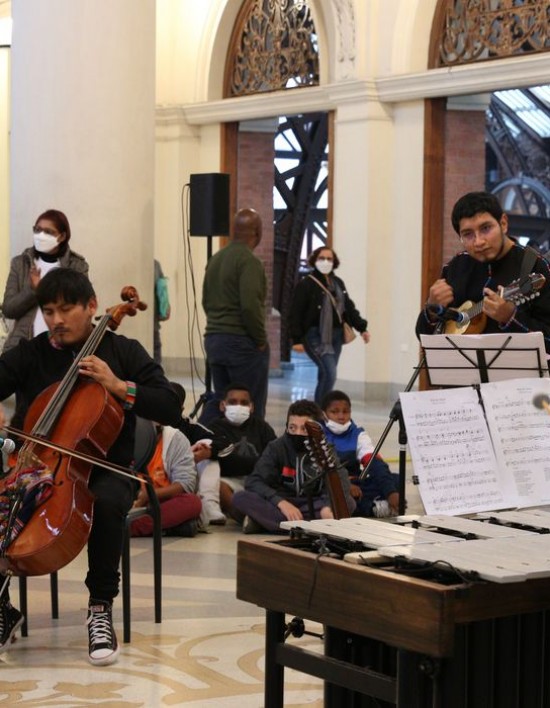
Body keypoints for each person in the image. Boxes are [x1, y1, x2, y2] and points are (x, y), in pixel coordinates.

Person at [0, 268, 182, 666]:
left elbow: (169, 403)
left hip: (108, 466)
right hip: (38, 465)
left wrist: (119, 387)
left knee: (106, 502)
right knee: (3, 500)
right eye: (48, 311)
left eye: (66, 309)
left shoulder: (123, 351)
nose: (56, 321)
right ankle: (2, 607)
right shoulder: (33, 353)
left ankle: (100, 608)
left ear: (92, 306)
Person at [416, 191, 550, 352]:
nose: (478, 241)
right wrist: (431, 309)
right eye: (468, 234)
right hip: (462, 374)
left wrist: (511, 318)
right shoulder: (456, 267)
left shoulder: (535, 267)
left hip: (520, 375)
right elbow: (424, 338)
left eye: (485, 228)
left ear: (503, 224)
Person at [232, 399, 355, 533]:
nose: (297, 433)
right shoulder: (276, 447)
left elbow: (341, 479)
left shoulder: (324, 448)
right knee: (240, 498)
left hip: (314, 504)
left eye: (304, 429)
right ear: (286, 426)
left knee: (349, 502)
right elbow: (254, 481)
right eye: (292, 427)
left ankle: (265, 523)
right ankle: (311, 527)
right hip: (280, 504)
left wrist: (327, 506)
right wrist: (281, 503)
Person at [201, 207, 269, 422]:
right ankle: (251, 449)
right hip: (240, 343)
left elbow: (206, 301)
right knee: (250, 404)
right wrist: (260, 340)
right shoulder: (249, 261)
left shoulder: (216, 259)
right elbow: (250, 306)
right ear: (257, 232)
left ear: (233, 231)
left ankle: (213, 443)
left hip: (214, 339)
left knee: (223, 401)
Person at [290, 246, 370, 405]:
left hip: (337, 335)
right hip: (315, 336)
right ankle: (321, 411)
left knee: (325, 373)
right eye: (321, 258)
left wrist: (362, 328)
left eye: (329, 259)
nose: (325, 262)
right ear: (314, 260)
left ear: (334, 262)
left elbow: (348, 307)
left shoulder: (338, 283)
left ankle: (321, 410)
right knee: (330, 373)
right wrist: (296, 340)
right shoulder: (306, 284)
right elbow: (295, 313)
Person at [1, 209, 89, 352]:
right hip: (23, 347)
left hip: (62, 348)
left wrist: (42, 290)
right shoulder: (21, 263)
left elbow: (81, 307)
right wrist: (32, 291)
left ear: (61, 236)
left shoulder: (77, 265)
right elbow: (9, 310)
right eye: (37, 230)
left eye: (48, 232)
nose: (41, 236)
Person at [193, 383, 276, 525]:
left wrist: (235, 461)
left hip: (255, 480)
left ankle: (259, 516)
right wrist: (251, 463)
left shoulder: (262, 427)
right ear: (222, 406)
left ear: (251, 407)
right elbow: (220, 460)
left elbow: (273, 457)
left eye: (244, 403)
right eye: (232, 402)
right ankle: (243, 518)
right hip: (228, 480)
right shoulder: (214, 428)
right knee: (219, 485)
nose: (238, 406)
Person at [321, 390, 399, 517]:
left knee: (394, 479)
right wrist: (346, 485)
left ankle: (375, 506)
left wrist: (391, 492)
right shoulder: (317, 432)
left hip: (357, 484)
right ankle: (370, 508)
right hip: (330, 484)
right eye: (334, 412)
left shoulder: (358, 434)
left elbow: (374, 463)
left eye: (345, 411)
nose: (341, 416)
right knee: (332, 494)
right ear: (324, 414)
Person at [130, 419, 202, 538]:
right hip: (133, 503)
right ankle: (172, 528)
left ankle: (131, 527)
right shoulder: (128, 435)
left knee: (193, 502)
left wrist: (149, 495)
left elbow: (185, 484)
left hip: (164, 502)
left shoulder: (176, 439)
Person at [153, 259, 170, 365]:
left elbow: (162, 291)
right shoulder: (155, 264)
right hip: (150, 324)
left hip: (153, 324)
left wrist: (165, 307)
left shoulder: (155, 264)